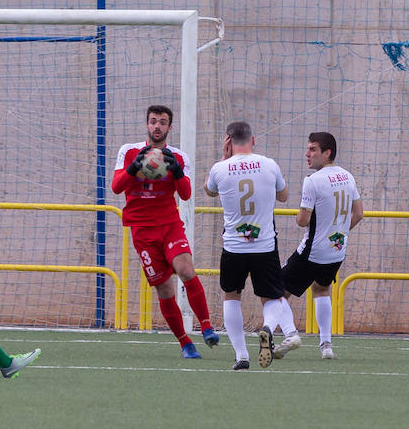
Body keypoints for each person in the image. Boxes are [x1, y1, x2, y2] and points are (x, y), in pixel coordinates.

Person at [111, 104, 218, 359]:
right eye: (153, 121)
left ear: (170, 127)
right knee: (165, 290)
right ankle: (185, 343)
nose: (157, 126)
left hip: (169, 225)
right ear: (147, 125)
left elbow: (186, 193)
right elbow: (116, 187)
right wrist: (133, 168)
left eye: (162, 122)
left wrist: (178, 172)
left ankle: (206, 326)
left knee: (186, 270)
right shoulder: (129, 152)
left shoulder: (178, 156)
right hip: (142, 231)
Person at [204, 121, 289, 370]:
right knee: (272, 296)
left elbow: (209, 191)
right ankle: (267, 328)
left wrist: (223, 158)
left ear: (228, 141)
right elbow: (284, 196)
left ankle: (241, 355)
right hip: (264, 246)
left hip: (233, 247)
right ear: (253, 140)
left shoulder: (220, 168)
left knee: (231, 296)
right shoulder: (269, 164)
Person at [280, 132, 363, 360]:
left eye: (313, 149)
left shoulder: (313, 181)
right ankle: (326, 345)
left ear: (327, 153)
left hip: (312, 251)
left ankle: (290, 334)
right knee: (321, 289)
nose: (308, 154)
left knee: (276, 290)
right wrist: (338, 235)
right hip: (336, 251)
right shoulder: (348, 176)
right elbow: (359, 213)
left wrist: (299, 217)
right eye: (308, 149)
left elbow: (303, 220)